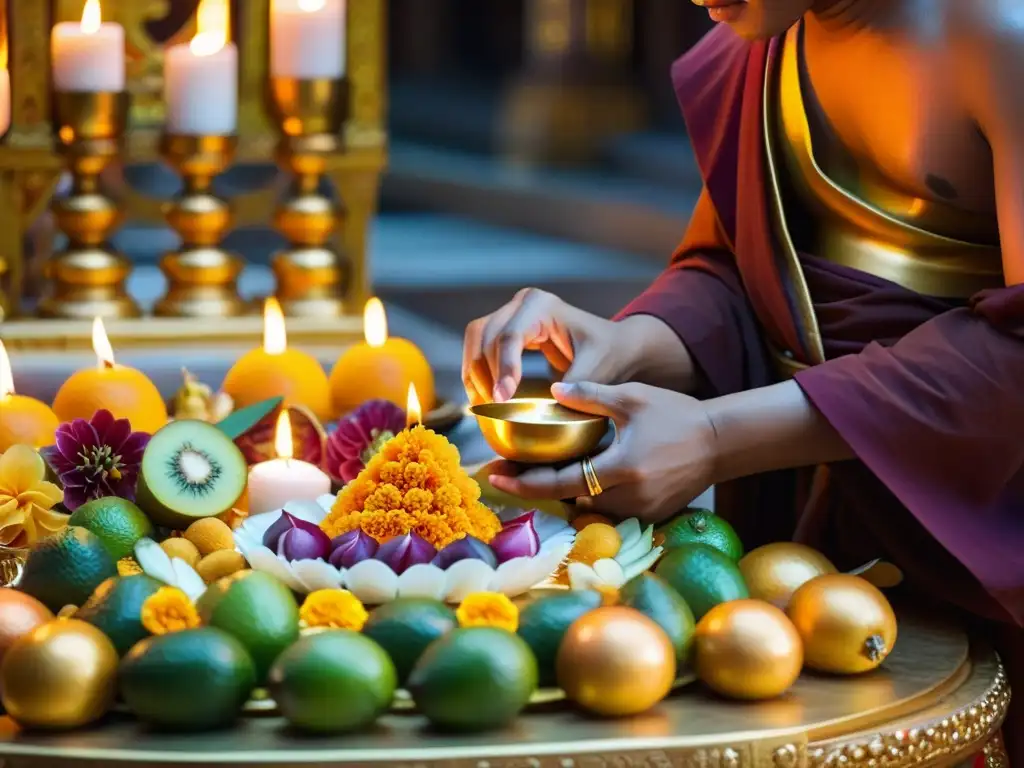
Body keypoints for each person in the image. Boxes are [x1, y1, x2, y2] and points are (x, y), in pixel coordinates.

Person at [463, 0, 1024, 760]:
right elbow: (738, 271)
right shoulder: (765, 41)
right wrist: (629, 342)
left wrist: (720, 437)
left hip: (975, 527)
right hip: (811, 528)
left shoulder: (999, 37)